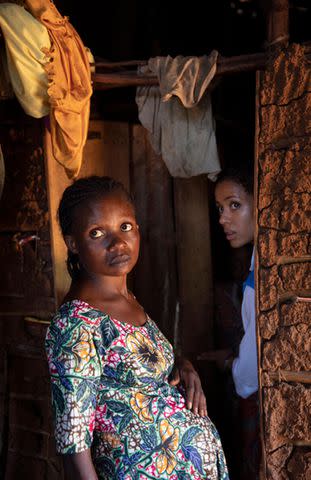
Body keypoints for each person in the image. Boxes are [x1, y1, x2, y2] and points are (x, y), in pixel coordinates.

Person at [45, 175, 229, 480]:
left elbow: (136, 371)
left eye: (125, 226)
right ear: (73, 243)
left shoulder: (128, 300)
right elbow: (73, 445)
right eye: (97, 232)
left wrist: (181, 365)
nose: (118, 242)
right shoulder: (76, 323)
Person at [198, 167, 260, 479]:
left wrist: (229, 364)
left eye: (235, 205)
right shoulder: (257, 268)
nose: (223, 219)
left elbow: (249, 378)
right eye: (220, 209)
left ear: (262, 201)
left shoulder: (258, 282)